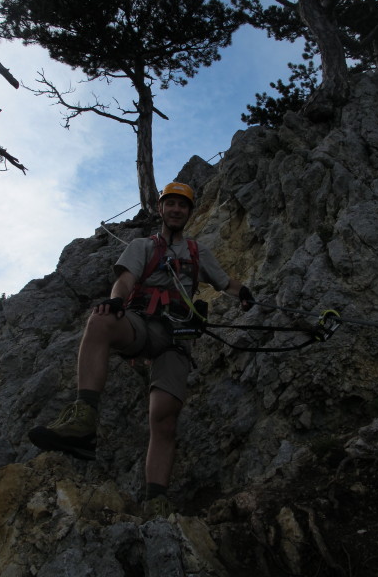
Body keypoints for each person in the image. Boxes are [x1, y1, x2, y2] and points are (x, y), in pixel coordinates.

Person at [28, 182, 254, 516]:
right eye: (171, 204)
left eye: (183, 205)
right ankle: (83, 419)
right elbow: (125, 280)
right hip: (142, 324)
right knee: (100, 320)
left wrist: (246, 293)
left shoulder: (197, 252)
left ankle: (156, 500)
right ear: (161, 209)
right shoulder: (142, 246)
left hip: (177, 338)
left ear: (190, 212)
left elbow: (225, 283)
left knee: (164, 418)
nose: (176, 210)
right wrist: (116, 301)